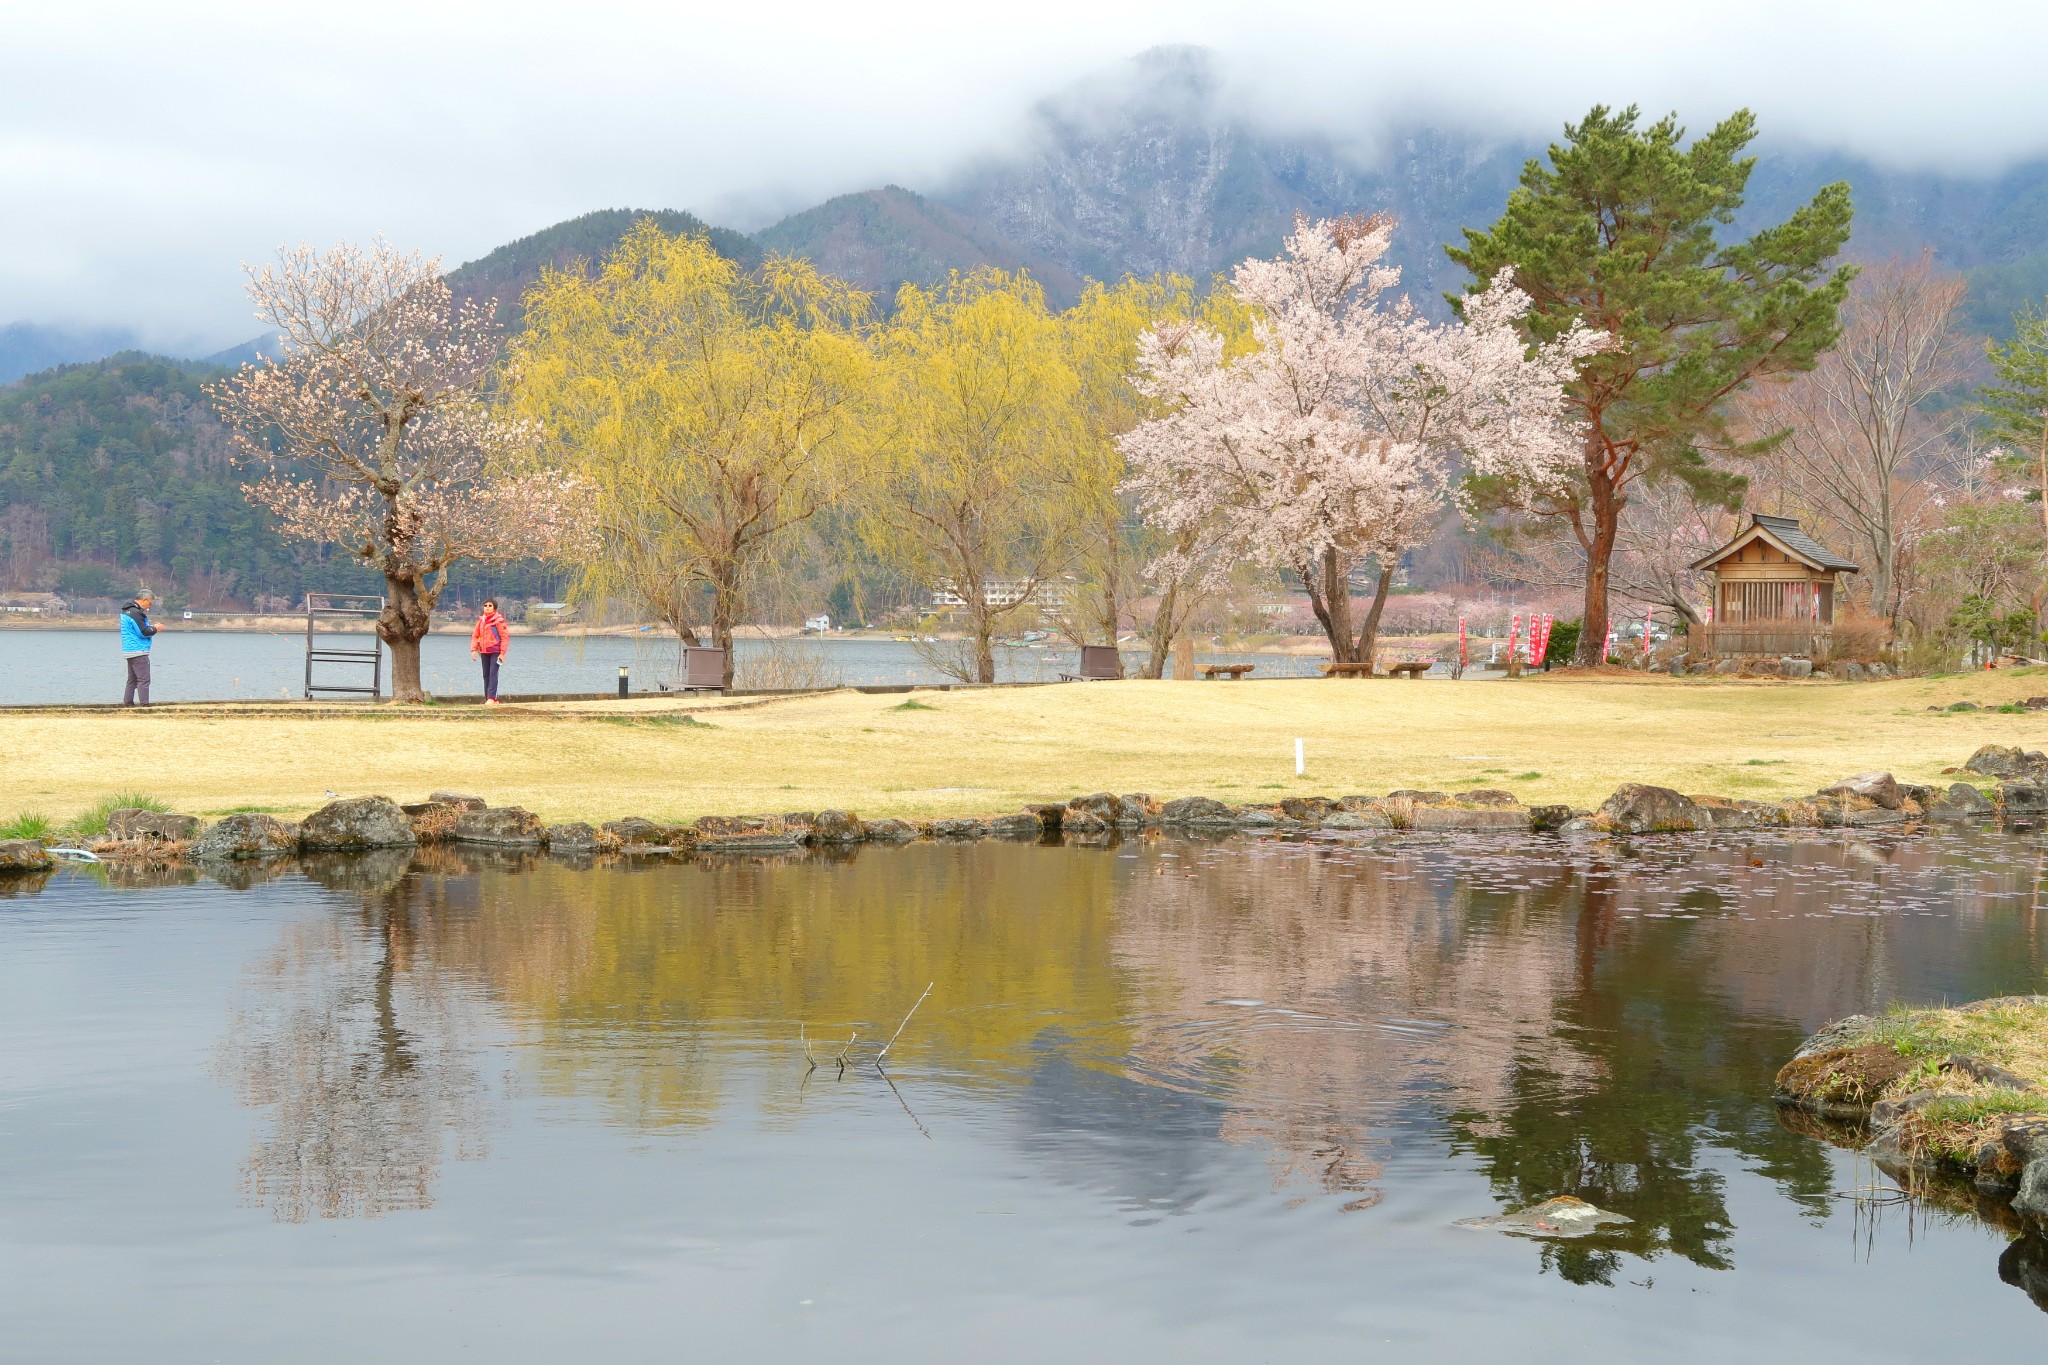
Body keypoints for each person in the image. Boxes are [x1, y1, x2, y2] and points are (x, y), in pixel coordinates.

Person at [119, 590, 162, 706]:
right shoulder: (135, 613)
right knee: (144, 680)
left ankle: (128, 703)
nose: (149, 607)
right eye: (150, 604)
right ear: (144, 600)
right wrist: (155, 628)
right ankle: (144, 704)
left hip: (129, 651)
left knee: (132, 680)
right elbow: (143, 632)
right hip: (138, 651)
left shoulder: (126, 611)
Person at [470, 598, 509, 705]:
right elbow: (475, 635)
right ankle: (488, 698)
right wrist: (473, 649)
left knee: (493, 674)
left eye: (490, 606)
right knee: (486, 675)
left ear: (494, 608)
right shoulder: (481, 620)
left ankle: (492, 698)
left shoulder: (499, 620)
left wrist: (502, 653)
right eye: (485, 605)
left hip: (495, 651)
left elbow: (505, 637)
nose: (487, 607)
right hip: (483, 651)